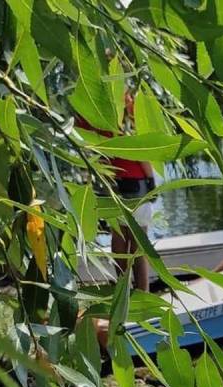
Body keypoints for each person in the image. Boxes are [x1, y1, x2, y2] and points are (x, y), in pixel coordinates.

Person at [77, 91, 155, 292]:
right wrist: (152, 181)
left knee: (118, 236)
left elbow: (80, 129)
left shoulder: (101, 115)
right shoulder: (131, 118)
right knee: (138, 241)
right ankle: (142, 291)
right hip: (136, 183)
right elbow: (143, 153)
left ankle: (123, 288)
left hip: (112, 183)